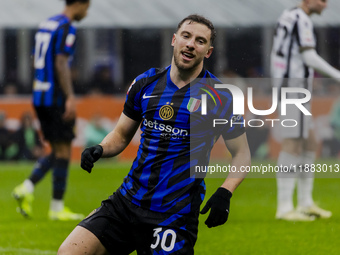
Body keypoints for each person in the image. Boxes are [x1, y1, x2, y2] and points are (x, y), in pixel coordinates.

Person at [58, 14, 251, 255]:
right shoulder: (145, 83)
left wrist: (225, 192)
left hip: (174, 213)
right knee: (70, 252)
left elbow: (242, 154)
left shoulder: (220, 97)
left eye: (200, 41)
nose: (191, 44)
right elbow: (120, 135)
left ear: (208, 52)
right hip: (127, 202)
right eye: (186, 36)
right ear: (174, 40)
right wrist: (100, 149)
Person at [12, 0, 90, 220]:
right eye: (87, 6)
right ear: (80, 3)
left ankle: (27, 188)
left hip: (40, 94)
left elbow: (35, 58)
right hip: (55, 97)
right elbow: (60, 62)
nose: (87, 11)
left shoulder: (47, 23)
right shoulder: (67, 27)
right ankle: (55, 208)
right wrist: (70, 97)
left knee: (58, 150)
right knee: (63, 150)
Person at [270, 0, 339, 221]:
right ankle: (284, 208)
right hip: (293, 88)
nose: (325, 5)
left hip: (291, 87)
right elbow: (308, 57)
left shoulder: (288, 15)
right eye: (322, 0)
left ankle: (305, 203)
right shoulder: (301, 19)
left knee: (309, 141)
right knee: (293, 142)